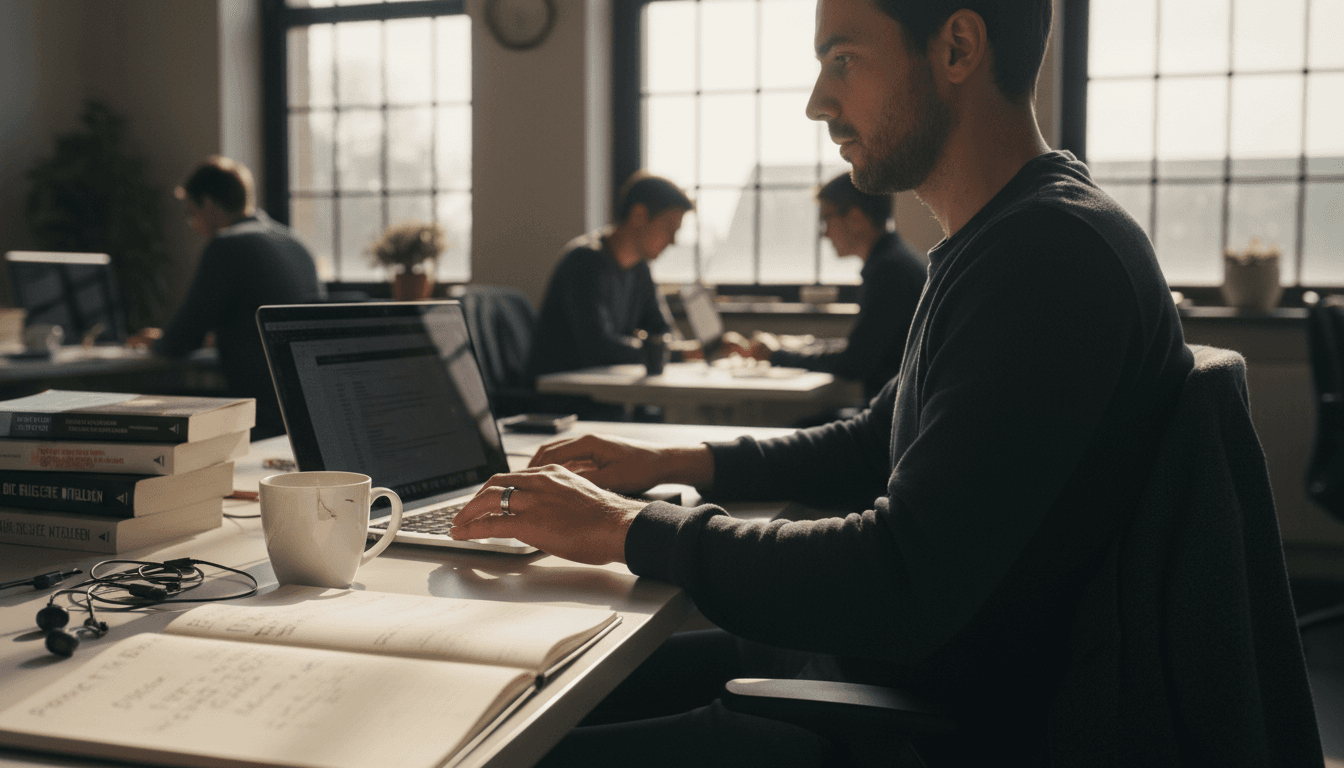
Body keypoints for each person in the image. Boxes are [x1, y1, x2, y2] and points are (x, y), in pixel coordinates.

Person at [451, 0, 1192, 765]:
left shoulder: (1046, 257)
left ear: (959, 46)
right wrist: (675, 464)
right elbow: (877, 440)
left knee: (510, 748)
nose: (817, 102)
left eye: (843, 60)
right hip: (881, 671)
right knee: (510, 695)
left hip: (919, 716)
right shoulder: (1005, 239)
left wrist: (624, 528)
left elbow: (899, 576)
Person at [128, 156, 323, 439]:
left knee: (146, 407)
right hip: (305, 412)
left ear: (208, 204)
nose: (193, 224)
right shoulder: (295, 242)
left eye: (190, 212)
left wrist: (157, 340)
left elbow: (179, 342)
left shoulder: (226, 246)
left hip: (260, 412)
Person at [736, 173, 926, 399]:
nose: (824, 234)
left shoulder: (890, 272)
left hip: (888, 423)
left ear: (855, 219)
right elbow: (864, 347)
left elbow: (854, 363)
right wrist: (799, 347)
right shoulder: (894, 262)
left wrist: (775, 355)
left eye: (826, 219)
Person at [525, 172, 692, 381]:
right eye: (669, 228)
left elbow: (664, 331)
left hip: (604, 390)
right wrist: (681, 352)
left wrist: (673, 348)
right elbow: (598, 349)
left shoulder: (640, 270)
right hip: (563, 397)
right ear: (639, 215)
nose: (673, 241)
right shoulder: (584, 262)